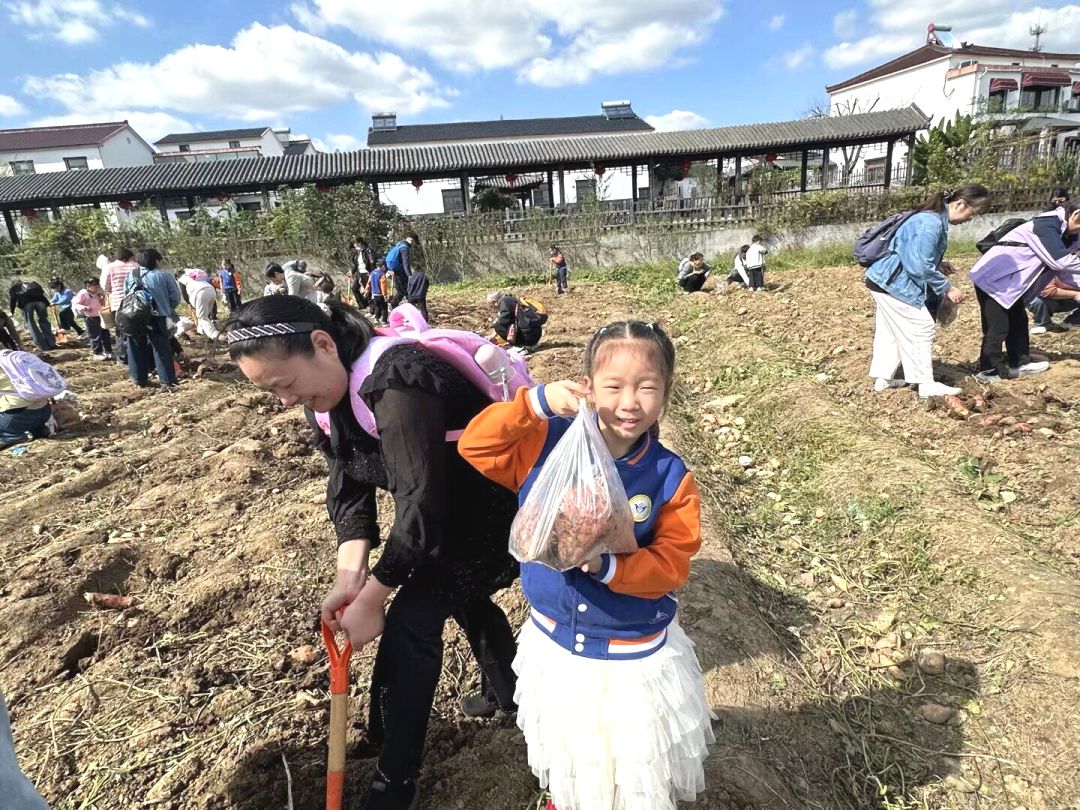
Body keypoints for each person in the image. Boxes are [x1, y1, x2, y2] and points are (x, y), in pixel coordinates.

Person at [225, 296, 520, 810]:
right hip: (443, 515)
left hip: (494, 512)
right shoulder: (330, 396)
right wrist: (350, 578)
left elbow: (420, 506)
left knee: (412, 618)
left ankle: (394, 778)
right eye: (270, 392)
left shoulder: (399, 378)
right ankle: (509, 692)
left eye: (285, 384)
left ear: (322, 344)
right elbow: (350, 490)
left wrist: (376, 594)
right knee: (457, 599)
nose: (284, 401)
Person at [459, 320, 714, 810]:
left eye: (647, 387)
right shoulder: (545, 444)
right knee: (571, 742)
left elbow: (672, 565)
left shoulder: (668, 477)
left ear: (666, 392)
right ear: (588, 386)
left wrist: (606, 567)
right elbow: (476, 446)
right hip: (554, 639)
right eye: (613, 386)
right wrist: (535, 402)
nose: (629, 402)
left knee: (631, 756)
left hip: (630, 650)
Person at [865, 184, 990, 397]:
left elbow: (912, 253)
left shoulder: (930, 219)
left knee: (891, 331)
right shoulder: (929, 223)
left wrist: (939, 265)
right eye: (973, 213)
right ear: (960, 204)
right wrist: (946, 287)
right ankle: (925, 384)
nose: (970, 219)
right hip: (894, 284)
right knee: (921, 325)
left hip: (883, 280)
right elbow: (919, 266)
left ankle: (884, 378)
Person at [969, 202, 1080, 382]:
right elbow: (1060, 262)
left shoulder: (1068, 234)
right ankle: (989, 370)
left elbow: (1066, 274)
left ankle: (1020, 363)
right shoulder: (1046, 226)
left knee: (1019, 320)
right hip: (995, 278)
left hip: (1012, 284)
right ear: (1075, 214)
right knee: (997, 326)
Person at [124, 248, 180, 388]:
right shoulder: (164, 275)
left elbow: (126, 295)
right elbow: (175, 298)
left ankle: (139, 378)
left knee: (136, 347)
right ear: (155, 260)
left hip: (134, 316)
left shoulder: (131, 275)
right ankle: (167, 381)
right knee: (161, 348)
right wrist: (167, 307)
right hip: (158, 316)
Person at [0, 357, 57, 449]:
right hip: (45, 409)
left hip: (19, 416)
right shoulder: (14, 357)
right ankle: (40, 430)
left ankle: (13, 438)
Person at [101, 248, 139, 365]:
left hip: (119, 304)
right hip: (136, 303)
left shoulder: (110, 267)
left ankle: (123, 358)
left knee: (121, 332)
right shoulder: (136, 266)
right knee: (137, 330)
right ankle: (138, 355)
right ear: (130, 256)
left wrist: (114, 290)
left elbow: (105, 286)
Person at [72, 277, 113, 359]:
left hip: (101, 316)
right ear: (88, 286)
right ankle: (97, 353)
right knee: (95, 336)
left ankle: (108, 351)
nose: (96, 287)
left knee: (105, 334)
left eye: (97, 285)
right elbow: (75, 304)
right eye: (94, 286)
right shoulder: (83, 293)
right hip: (91, 317)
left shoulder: (99, 292)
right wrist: (84, 307)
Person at [8, 280, 55, 350]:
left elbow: (13, 299)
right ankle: (52, 343)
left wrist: (12, 311)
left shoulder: (13, 288)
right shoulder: (32, 284)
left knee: (31, 323)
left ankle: (43, 346)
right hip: (41, 301)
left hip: (26, 303)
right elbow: (42, 292)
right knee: (44, 320)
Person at [176, 271, 221, 341]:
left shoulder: (181, 279)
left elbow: (184, 294)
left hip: (201, 294)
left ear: (177, 277)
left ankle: (214, 335)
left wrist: (189, 303)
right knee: (205, 316)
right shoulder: (191, 275)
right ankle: (205, 334)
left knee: (202, 317)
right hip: (211, 290)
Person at [385, 232, 420, 309]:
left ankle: (393, 304)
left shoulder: (399, 245)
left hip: (395, 271)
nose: (414, 245)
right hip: (401, 273)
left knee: (401, 291)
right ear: (411, 240)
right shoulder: (405, 248)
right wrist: (410, 275)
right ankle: (412, 307)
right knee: (407, 291)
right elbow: (405, 263)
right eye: (415, 243)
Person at [350, 238, 376, 307]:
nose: (355, 245)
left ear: (360, 243)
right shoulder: (358, 253)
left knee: (369, 290)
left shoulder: (368, 251)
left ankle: (372, 308)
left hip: (367, 273)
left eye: (356, 243)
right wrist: (351, 271)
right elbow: (357, 265)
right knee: (357, 289)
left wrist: (371, 272)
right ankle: (363, 305)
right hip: (360, 273)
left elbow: (372, 262)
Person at [369, 259, 389, 325]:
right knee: (384, 308)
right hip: (380, 294)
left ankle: (376, 319)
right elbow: (383, 286)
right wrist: (385, 295)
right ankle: (384, 321)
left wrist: (366, 290)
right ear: (383, 266)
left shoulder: (372, 273)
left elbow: (369, 282)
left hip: (374, 294)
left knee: (377, 306)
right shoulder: (382, 274)